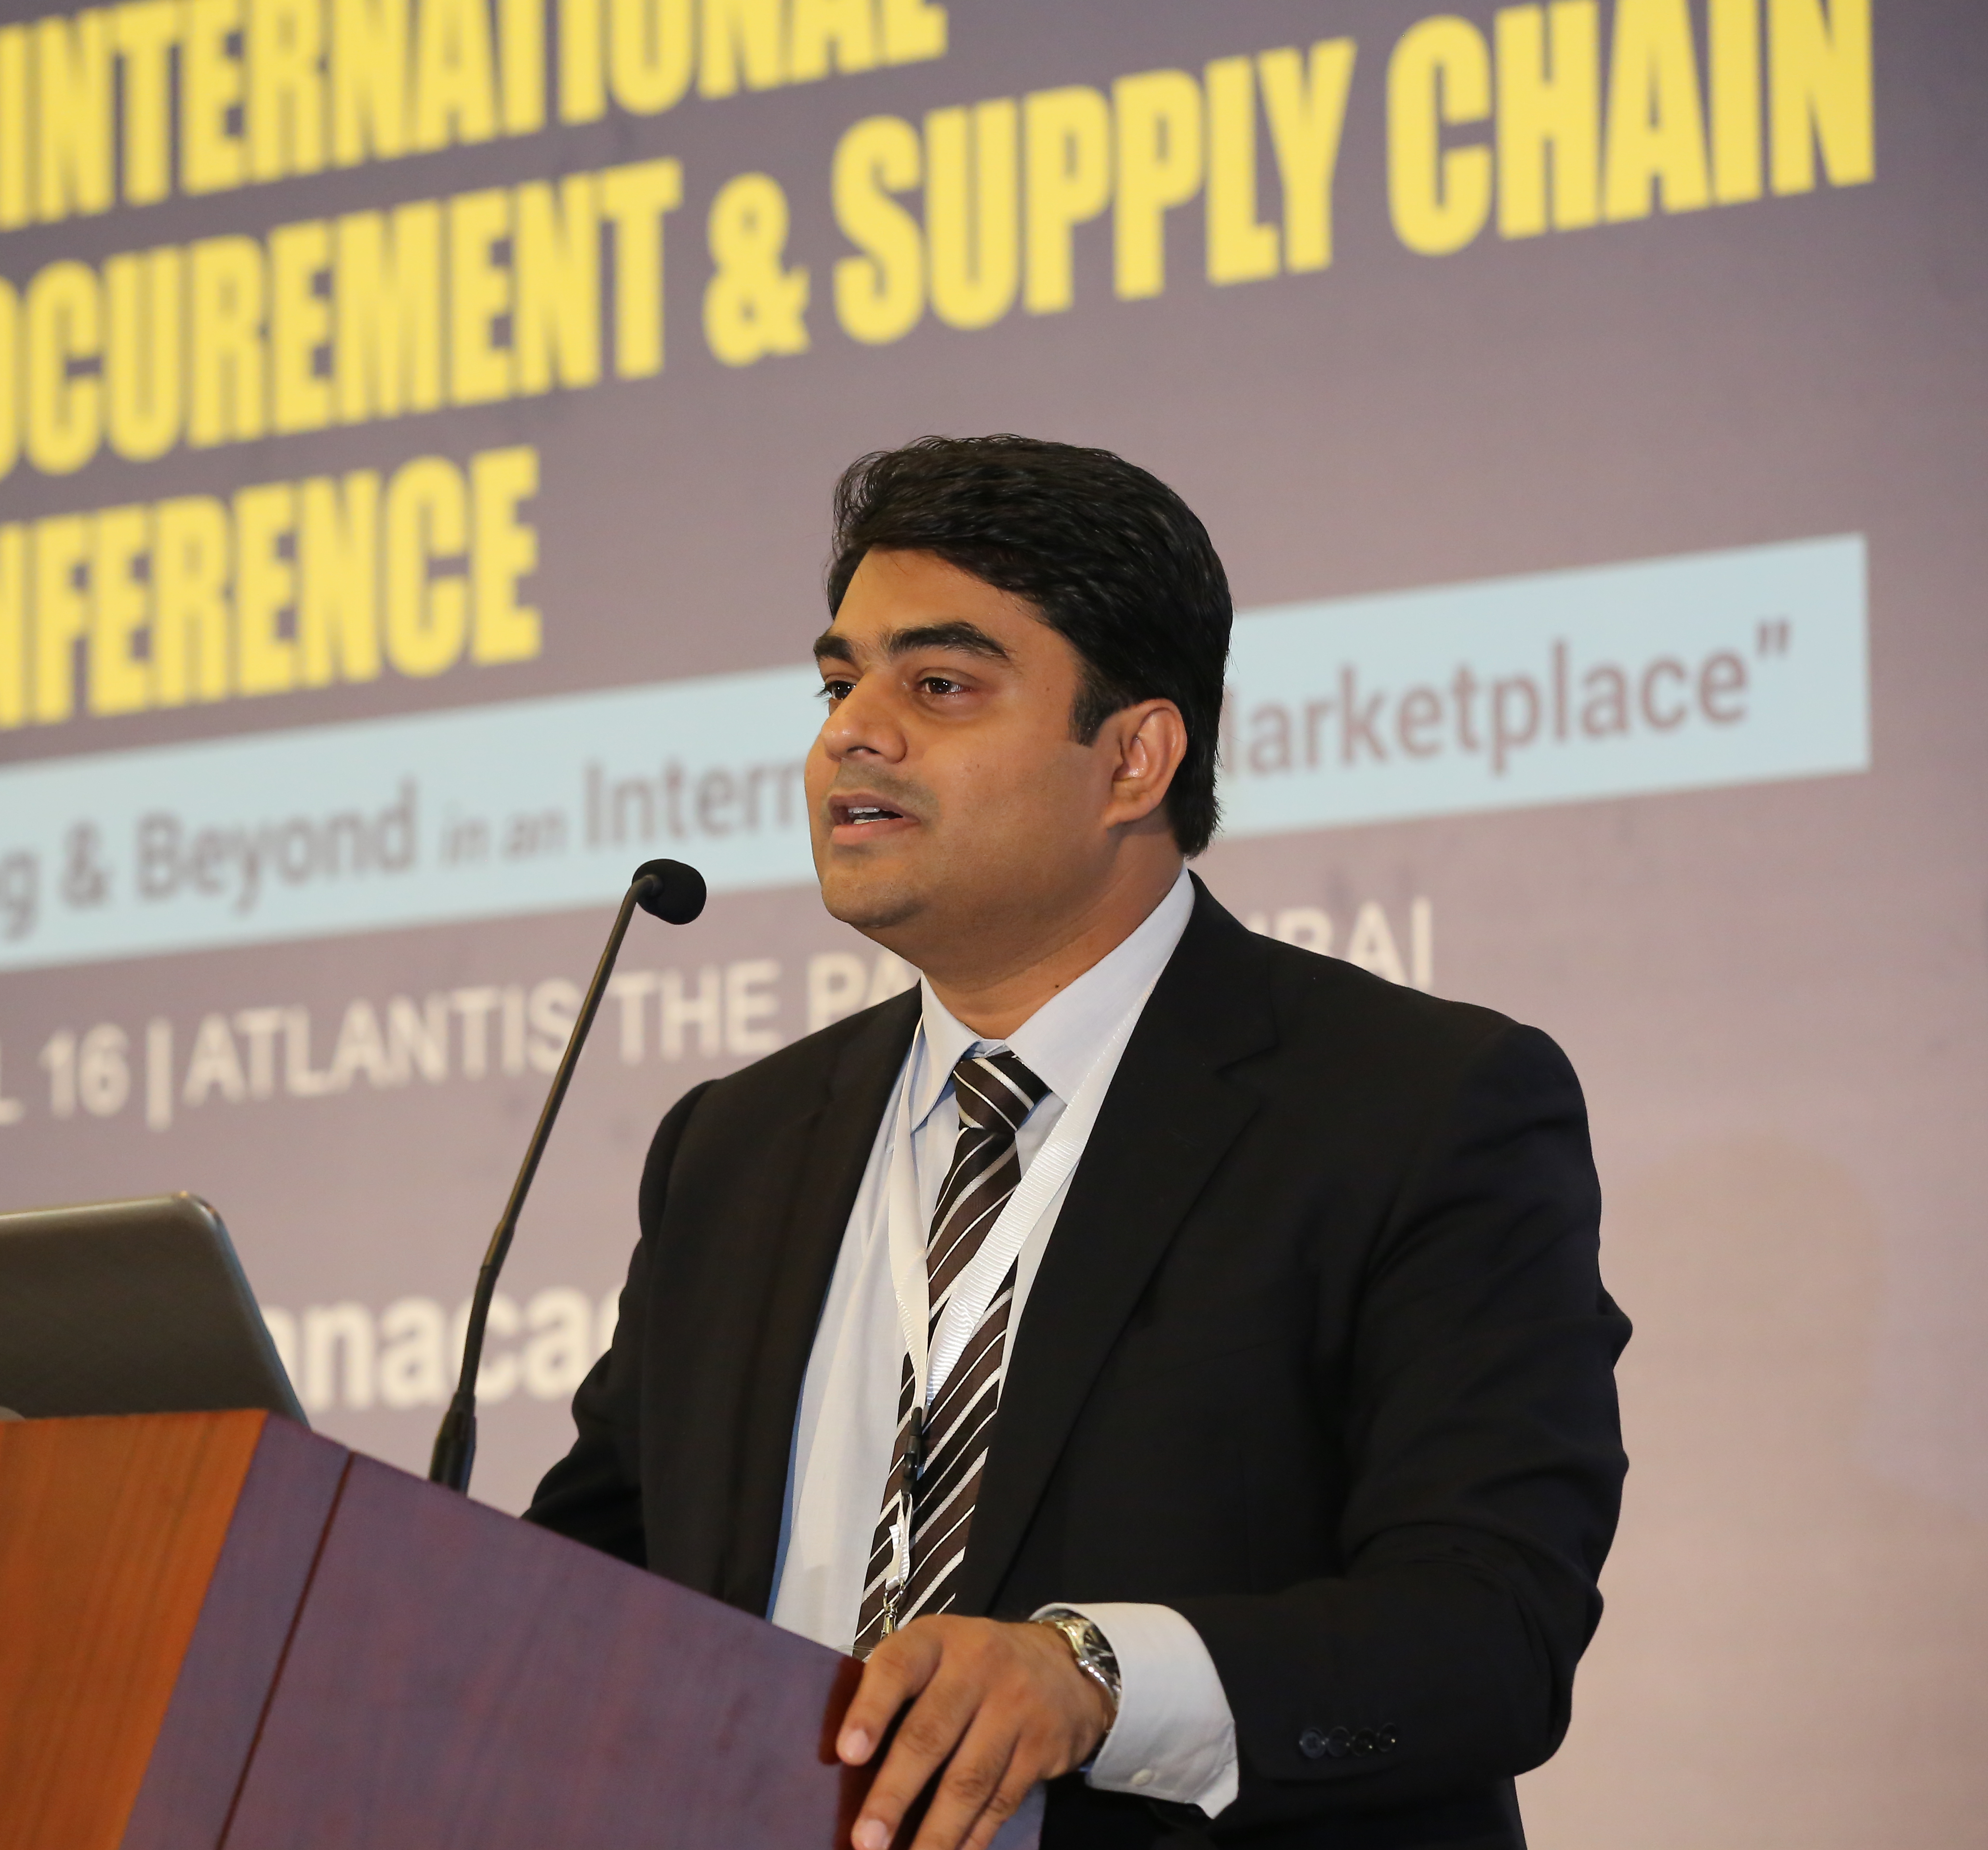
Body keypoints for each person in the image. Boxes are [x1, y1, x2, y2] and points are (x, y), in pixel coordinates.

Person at [526, 436, 1628, 1850]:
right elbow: (590, 1601)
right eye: (839, 684)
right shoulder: (734, 1148)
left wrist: (1096, 1676)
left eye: (939, 685)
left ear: (1134, 759)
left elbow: (1490, 1628)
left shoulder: (1416, 1105)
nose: (853, 734)